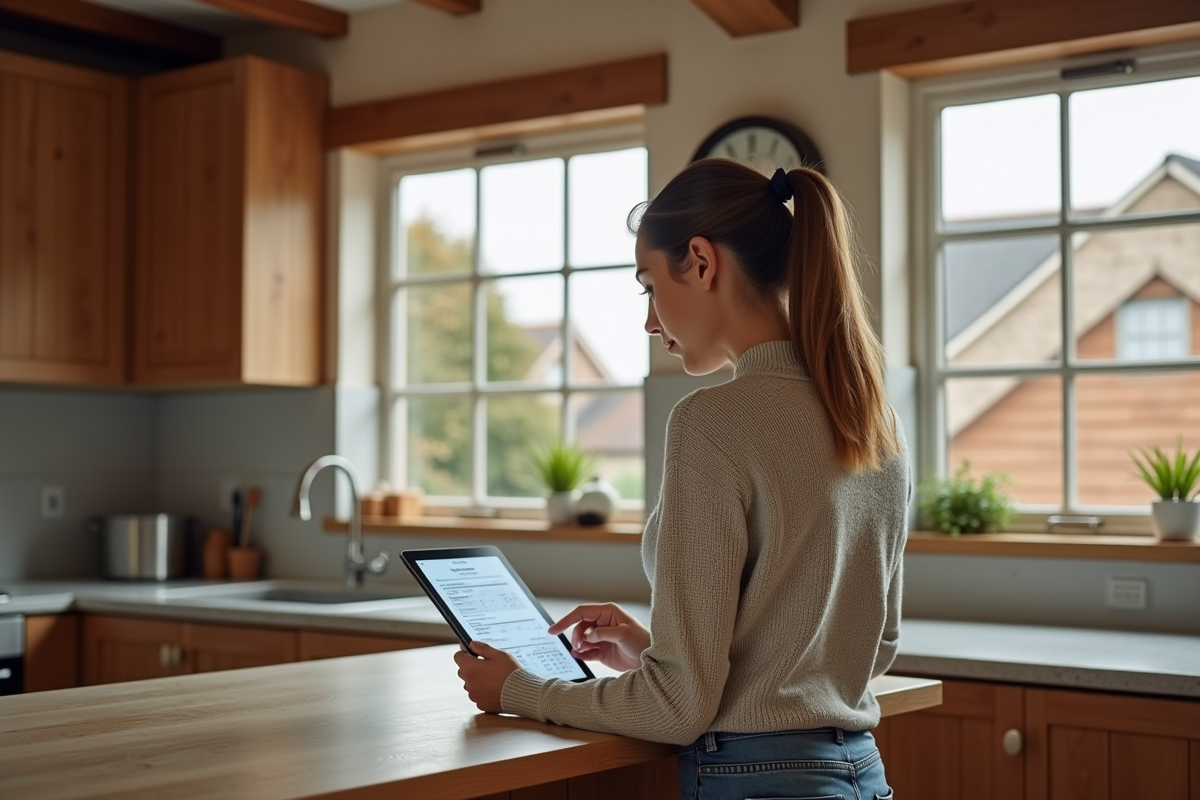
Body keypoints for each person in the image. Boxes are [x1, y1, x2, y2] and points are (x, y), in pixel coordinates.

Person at [455, 158, 910, 800]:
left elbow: (678, 712)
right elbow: (873, 646)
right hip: (861, 775)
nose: (649, 321)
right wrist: (654, 653)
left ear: (700, 261)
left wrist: (520, 691)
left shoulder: (710, 423)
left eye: (648, 286)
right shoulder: (871, 415)